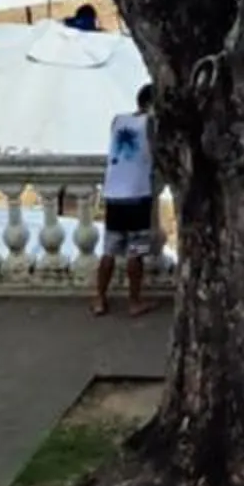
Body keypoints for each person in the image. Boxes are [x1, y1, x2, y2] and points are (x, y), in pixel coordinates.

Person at [92, 85, 155, 320]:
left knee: (109, 250)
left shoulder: (118, 120)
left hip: (114, 195)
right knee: (135, 252)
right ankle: (134, 301)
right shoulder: (152, 124)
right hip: (138, 195)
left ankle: (99, 297)